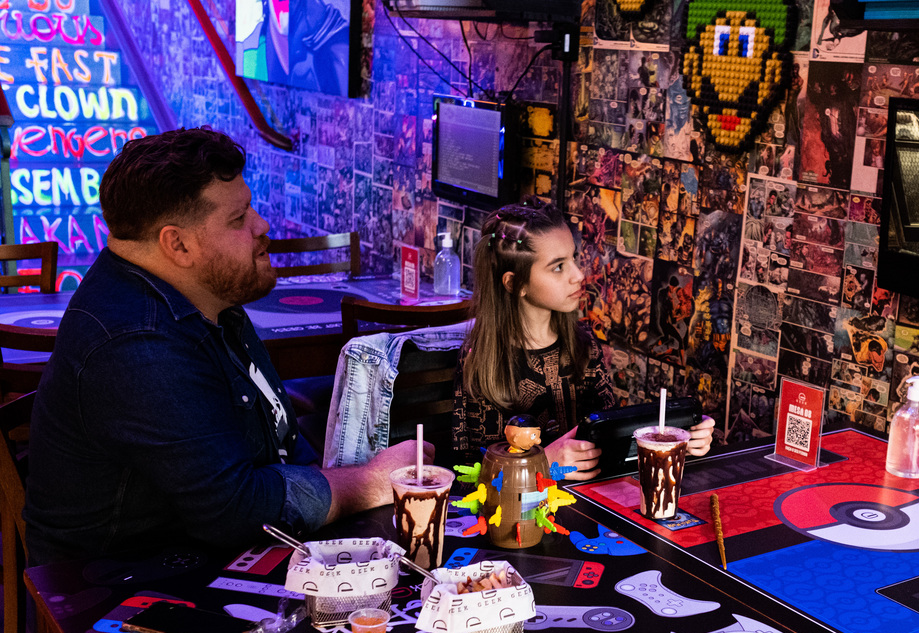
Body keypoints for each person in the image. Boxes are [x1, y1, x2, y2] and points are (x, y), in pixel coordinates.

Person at [23, 127, 427, 566]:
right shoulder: (138, 344)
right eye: (238, 219)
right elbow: (237, 511)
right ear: (178, 244)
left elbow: (276, 439)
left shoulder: (206, 296)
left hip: (222, 555)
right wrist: (374, 480)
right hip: (123, 583)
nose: (261, 225)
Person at [453, 198, 714, 479]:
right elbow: (470, 479)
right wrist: (542, 463)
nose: (578, 274)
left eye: (573, 258)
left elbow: (612, 439)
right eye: (558, 267)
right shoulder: (480, 361)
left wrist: (674, 443)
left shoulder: (585, 345)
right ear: (515, 283)